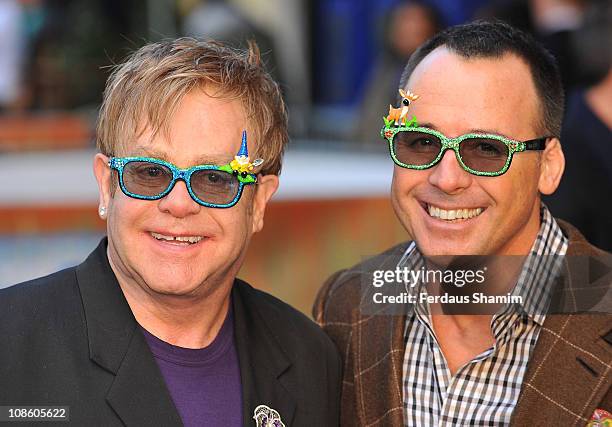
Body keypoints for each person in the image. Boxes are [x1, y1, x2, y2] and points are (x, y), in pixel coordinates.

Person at [0, 38, 341, 427]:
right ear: (106, 186)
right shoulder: (8, 345)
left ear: (259, 203)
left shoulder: (311, 360)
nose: (179, 204)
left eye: (215, 178)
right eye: (149, 173)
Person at [314, 21, 611, 426]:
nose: (446, 178)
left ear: (549, 166)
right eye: (421, 142)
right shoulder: (346, 305)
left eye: (487, 149)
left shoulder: (602, 303)